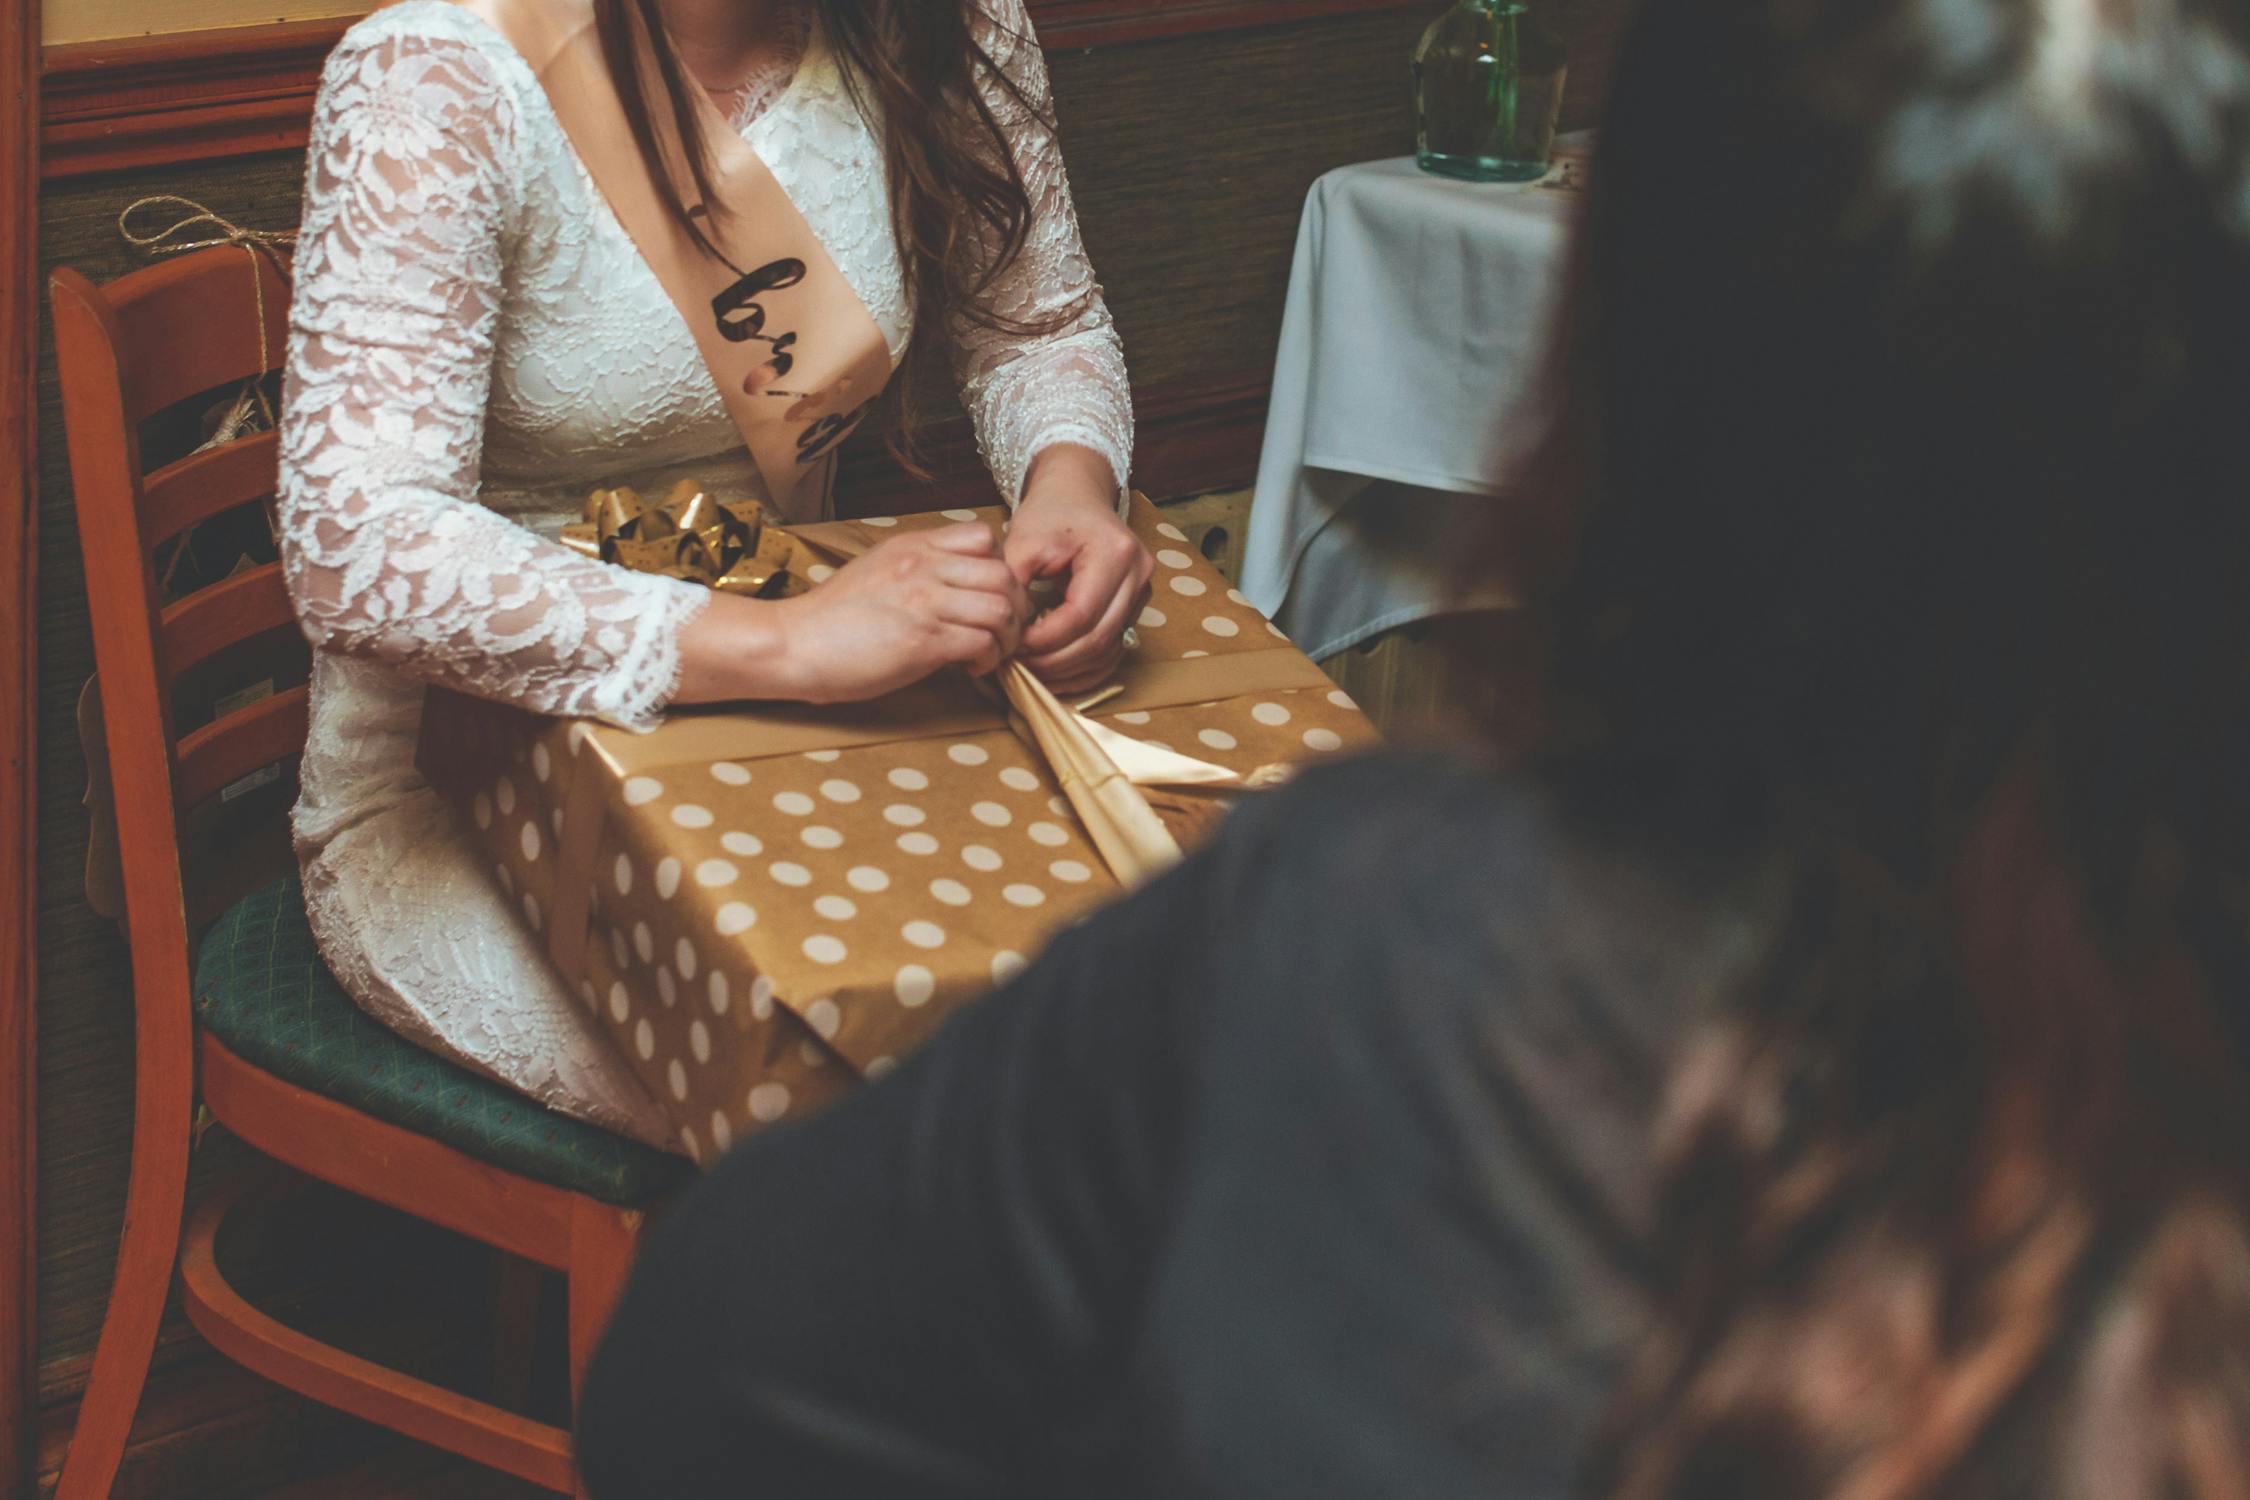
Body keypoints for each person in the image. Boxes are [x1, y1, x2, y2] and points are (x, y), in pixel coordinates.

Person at [574, 0, 2250, 1491]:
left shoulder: (1386, 926)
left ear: (1609, 357)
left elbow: (710, 1376)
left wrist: (1066, 472)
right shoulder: (480, 62)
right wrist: (784, 633)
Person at [275, 0, 1146, 1144]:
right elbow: (356, 544)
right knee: (870, 1108)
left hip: (814, 740)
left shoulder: (942, 24)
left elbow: (1041, 327)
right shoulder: (441, 69)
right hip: (469, 789)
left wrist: (1070, 484)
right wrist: (790, 646)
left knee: (1116, 1020)